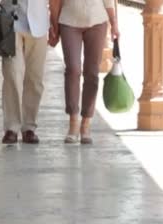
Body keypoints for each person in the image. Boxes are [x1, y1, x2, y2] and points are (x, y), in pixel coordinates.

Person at [49, 0, 119, 144]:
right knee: (73, 69)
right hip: (68, 21)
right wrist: (54, 25)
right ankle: (73, 122)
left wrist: (114, 24)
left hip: (97, 21)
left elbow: (109, 2)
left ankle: (86, 123)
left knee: (92, 73)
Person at [0, 0, 50, 144]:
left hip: (39, 23)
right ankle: (11, 127)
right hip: (10, 21)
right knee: (11, 73)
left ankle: (29, 127)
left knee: (35, 78)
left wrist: (54, 22)